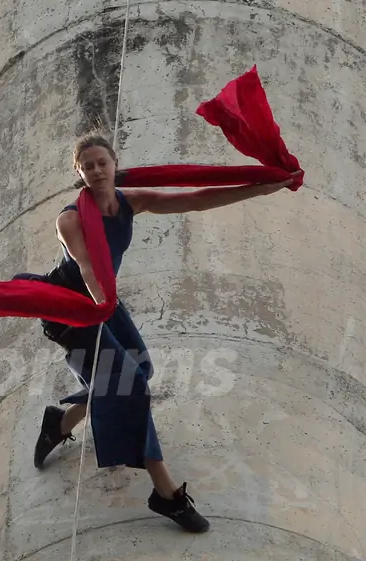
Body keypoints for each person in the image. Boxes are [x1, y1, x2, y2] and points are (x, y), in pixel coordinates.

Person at [32, 131, 298, 533]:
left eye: (102, 162)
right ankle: (167, 494)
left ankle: (61, 422)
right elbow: (86, 266)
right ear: (79, 172)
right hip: (72, 307)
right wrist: (102, 304)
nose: (97, 170)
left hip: (104, 301)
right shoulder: (69, 219)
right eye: (87, 166)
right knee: (133, 387)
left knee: (141, 370)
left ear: (115, 164)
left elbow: (194, 199)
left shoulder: (130, 202)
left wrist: (260, 189)